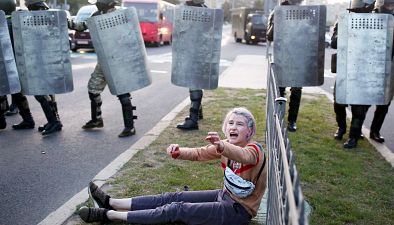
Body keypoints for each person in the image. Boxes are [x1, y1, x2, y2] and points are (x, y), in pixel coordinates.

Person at [77, 107, 267, 225]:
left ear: (250, 131)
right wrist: (179, 152)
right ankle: (112, 202)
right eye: (230, 123)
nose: (233, 127)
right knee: (173, 197)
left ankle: (108, 215)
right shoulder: (225, 145)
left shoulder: (254, 150)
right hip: (223, 196)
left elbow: (244, 156)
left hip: (238, 211)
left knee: (177, 209)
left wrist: (221, 146)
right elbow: (200, 153)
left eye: (240, 124)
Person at [69, 0, 137, 138]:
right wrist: (66, 22)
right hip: (104, 59)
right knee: (93, 88)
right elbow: (81, 26)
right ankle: (96, 120)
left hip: (119, 58)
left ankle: (130, 127)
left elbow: (131, 34)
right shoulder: (97, 14)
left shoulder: (121, 14)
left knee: (122, 91)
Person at [330, 0, 375, 148]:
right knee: (339, 103)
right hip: (345, 67)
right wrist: (348, 33)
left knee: (359, 107)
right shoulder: (344, 19)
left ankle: (353, 137)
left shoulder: (375, 20)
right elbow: (334, 42)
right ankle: (341, 127)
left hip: (364, 70)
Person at [23, 0, 63, 135]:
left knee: (40, 92)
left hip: (42, 59)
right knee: (48, 91)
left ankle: (54, 121)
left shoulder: (41, 18)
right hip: (48, 59)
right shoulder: (51, 16)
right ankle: (54, 121)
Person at [266, 0, 303, 132]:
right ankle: (279, 118)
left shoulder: (301, 13)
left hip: (297, 58)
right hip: (281, 57)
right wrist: (278, 19)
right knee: (280, 90)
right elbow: (269, 36)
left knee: (296, 90)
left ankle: (292, 121)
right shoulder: (276, 12)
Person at [367, 0, 394, 143]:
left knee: (384, 103)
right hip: (371, 65)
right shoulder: (371, 17)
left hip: (392, 67)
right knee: (362, 101)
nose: (390, 7)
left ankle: (375, 131)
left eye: (393, 4)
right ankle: (355, 132)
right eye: (388, 4)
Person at [0, 0, 35, 131]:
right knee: (17, 92)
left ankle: (1, 121)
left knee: (2, 92)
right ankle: (28, 119)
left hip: (3, 62)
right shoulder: (17, 21)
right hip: (16, 62)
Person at [175, 0, 207, 131]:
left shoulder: (200, 10)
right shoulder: (202, 9)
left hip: (196, 51)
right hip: (193, 50)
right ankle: (198, 113)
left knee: (194, 83)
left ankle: (193, 120)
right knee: (195, 82)